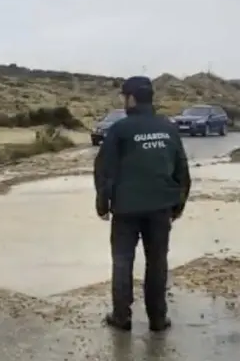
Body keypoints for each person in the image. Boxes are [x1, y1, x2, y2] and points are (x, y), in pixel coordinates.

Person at [93, 76, 191, 332]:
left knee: (123, 262)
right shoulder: (168, 128)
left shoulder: (120, 130)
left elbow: (104, 170)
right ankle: (158, 319)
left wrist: (103, 204)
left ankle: (121, 317)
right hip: (160, 208)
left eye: (124, 97)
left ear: (132, 98)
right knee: (157, 262)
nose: (124, 101)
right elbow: (182, 169)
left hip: (126, 210)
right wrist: (178, 204)